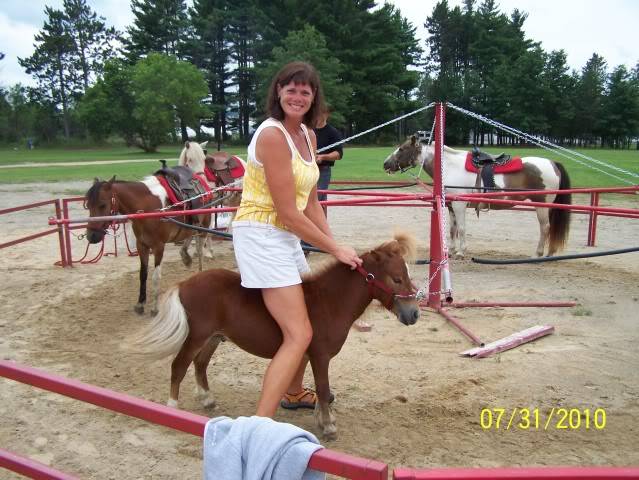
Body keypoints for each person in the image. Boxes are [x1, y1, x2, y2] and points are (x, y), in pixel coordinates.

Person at [232, 61, 363, 418]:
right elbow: (289, 212)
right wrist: (333, 248)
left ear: (314, 98)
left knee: (310, 318)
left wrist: (336, 249)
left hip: (284, 234)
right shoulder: (272, 135)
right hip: (260, 232)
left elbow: (310, 202)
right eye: (290, 89)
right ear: (278, 92)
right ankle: (260, 422)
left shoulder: (308, 135)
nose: (298, 96)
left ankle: (294, 391)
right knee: (299, 333)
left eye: (305, 91)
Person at [313, 107, 373, 333]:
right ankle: (311, 240)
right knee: (307, 205)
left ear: (326, 114)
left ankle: (317, 239)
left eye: (320, 114)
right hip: (306, 169)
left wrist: (322, 157)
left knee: (318, 203)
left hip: (322, 170)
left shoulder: (331, 132)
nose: (317, 117)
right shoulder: (307, 130)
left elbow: (338, 153)